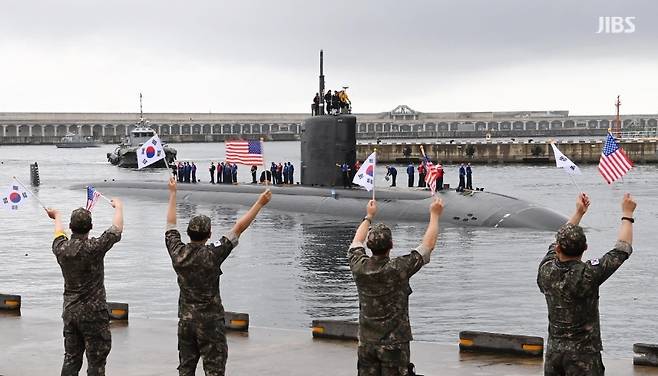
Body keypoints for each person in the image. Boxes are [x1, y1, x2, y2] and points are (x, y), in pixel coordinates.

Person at [165, 177, 272, 376]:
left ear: (188, 233)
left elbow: (170, 225)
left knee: (186, 369)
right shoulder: (213, 253)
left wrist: (172, 193)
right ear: (209, 234)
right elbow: (238, 228)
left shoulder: (177, 252)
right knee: (214, 370)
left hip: (186, 322)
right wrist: (260, 202)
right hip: (210, 323)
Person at [538, 192, 636, 376]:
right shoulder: (588, 274)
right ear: (585, 248)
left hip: (554, 354)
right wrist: (627, 214)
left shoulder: (546, 270)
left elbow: (556, 240)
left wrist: (578, 213)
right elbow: (622, 250)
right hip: (584, 357)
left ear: (558, 248)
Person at [347, 197, 443, 375]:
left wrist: (369, 216)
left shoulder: (359, 266)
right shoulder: (398, 268)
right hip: (394, 346)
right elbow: (428, 246)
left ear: (369, 246)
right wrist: (435, 215)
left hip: (367, 343)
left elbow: (355, 243)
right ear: (391, 245)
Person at [46, 199, 124, 375]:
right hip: (94, 314)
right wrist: (119, 207)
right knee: (96, 362)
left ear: (70, 226)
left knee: (71, 358)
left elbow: (58, 233)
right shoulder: (94, 247)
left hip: (70, 311)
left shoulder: (61, 248)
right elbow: (116, 229)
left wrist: (56, 216)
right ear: (91, 226)